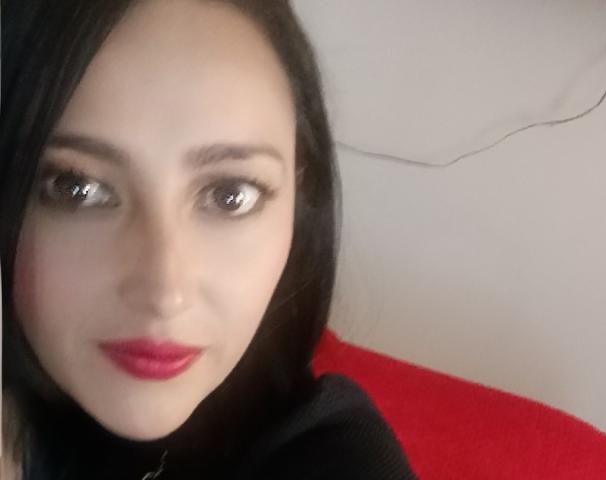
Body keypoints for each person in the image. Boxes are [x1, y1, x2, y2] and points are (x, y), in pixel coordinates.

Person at [0, 1, 417, 478]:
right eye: (75, 188)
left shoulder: (330, 456)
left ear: (300, 201)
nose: (165, 292)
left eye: (229, 195)